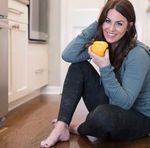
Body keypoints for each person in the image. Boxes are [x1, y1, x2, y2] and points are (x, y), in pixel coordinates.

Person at [40, 0, 150, 147]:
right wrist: (97, 23)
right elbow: (69, 55)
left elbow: (124, 104)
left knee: (102, 116)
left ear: (128, 26)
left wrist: (105, 67)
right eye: (107, 21)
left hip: (139, 117)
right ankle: (62, 126)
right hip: (113, 103)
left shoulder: (138, 54)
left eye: (119, 23)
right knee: (78, 66)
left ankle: (79, 128)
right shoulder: (107, 44)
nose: (111, 29)